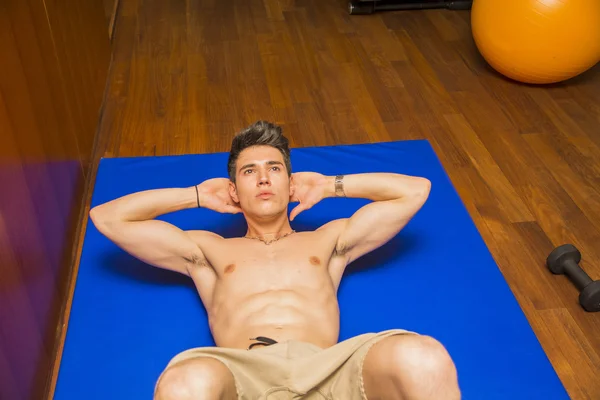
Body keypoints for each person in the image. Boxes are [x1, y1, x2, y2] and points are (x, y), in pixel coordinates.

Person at [89, 121, 461, 400]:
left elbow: (415, 191)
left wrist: (329, 185)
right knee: (183, 383)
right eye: (250, 172)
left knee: (424, 357)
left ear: (290, 184)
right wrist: (196, 196)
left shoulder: (328, 240)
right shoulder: (209, 250)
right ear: (233, 190)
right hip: (245, 375)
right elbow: (107, 217)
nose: (264, 179)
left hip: (327, 371)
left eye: (275, 168)